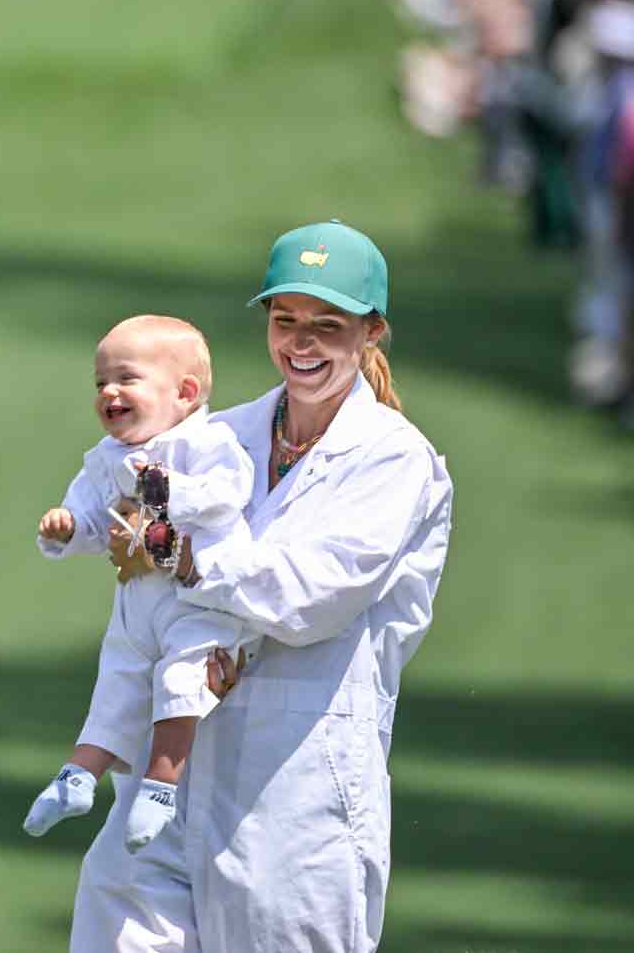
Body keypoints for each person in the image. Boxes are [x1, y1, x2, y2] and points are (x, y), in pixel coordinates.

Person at [75, 220, 454, 953]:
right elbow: (131, 519)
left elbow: (306, 599)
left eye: (327, 325)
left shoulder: (394, 461)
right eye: (286, 321)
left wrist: (178, 557)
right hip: (172, 770)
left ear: (371, 332)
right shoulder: (221, 434)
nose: (301, 343)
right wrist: (124, 535)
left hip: (298, 795)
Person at [24, 315, 257, 854]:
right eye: (100, 382)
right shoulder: (104, 459)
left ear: (185, 392)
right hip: (138, 598)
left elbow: (229, 494)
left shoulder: (206, 442)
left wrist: (168, 491)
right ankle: (78, 777)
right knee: (118, 677)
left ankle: (160, 782)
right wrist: (67, 528)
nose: (109, 392)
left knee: (181, 680)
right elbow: (89, 517)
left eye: (126, 379)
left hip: (199, 598)